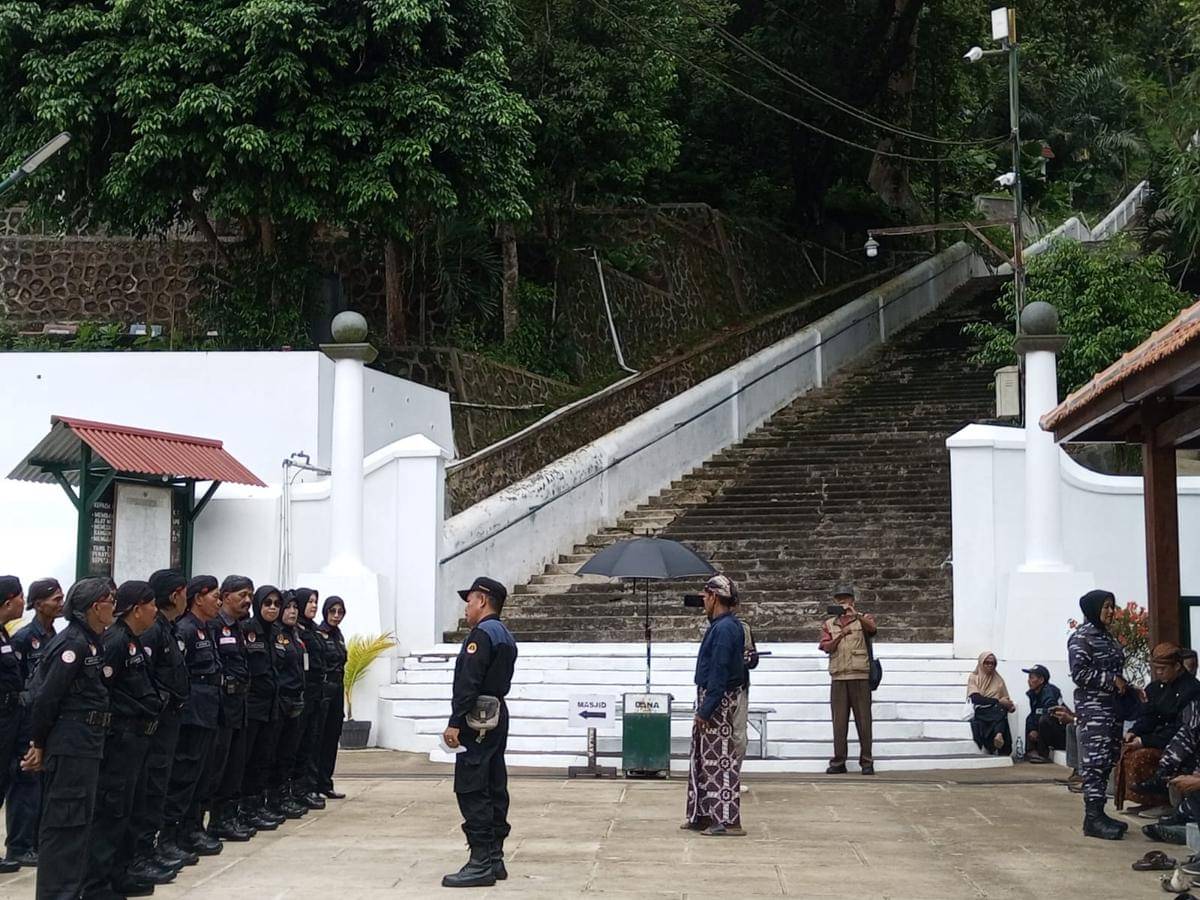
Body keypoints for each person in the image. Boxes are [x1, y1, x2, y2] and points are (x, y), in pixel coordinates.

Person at [24, 578, 114, 900]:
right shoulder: (72, 645)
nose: (113, 607)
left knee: (78, 826)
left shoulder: (91, 642)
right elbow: (46, 698)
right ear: (94, 607)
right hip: (71, 746)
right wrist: (38, 743)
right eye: (110, 601)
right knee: (64, 824)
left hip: (86, 745)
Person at [83, 580, 168, 898]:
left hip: (139, 741)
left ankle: (121, 872)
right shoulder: (116, 641)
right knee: (112, 812)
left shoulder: (133, 641)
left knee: (133, 809)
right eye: (151, 605)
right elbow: (104, 690)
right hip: (121, 741)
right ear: (136, 609)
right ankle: (97, 884)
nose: (155, 611)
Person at [441, 576, 517, 888]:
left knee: (473, 787)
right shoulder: (505, 634)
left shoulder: (481, 634)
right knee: (495, 782)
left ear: (482, 600)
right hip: (496, 713)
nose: (467, 607)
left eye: (469, 600)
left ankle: (481, 860)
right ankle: (495, 857)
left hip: (478, 718)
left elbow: (469, 682)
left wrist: (455, 721)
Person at [130, 569, 196, 874]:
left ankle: (152, 847)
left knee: (161, 786)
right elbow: (143, 678)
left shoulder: (168, 628)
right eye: (185, 592)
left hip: (169, 723)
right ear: (175, 595)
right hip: (154, 724)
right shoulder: (153, 631)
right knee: (150, 788)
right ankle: (140, 853)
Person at [161, 576, 224, 858]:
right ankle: (172, 836)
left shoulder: (206, 628)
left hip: (208, 709)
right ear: (199, 597)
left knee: (202, 776)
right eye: (215, 596)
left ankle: (193, 827)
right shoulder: (185, 629)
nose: (218, 602)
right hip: (192, 713)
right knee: (184, 776)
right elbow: (178, 674)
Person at [681, 574, 746, 837]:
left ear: (715, 597)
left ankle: (725, 819)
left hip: (718, 700)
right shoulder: (722, 626)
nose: (704, 601)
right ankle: (704, 813)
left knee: (719, 762)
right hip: (713, 696)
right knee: (703, 760)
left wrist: (706, 709)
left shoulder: (725, 629)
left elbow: (719, 671)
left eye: (706, 596)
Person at [5, 577, 62, 870]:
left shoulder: (56, 636)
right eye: (55, 599)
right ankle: (19, 844)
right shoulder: (23, 638)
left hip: (45, 719)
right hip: (24, 719)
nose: (60, 604)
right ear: (38, 604)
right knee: (25, 780)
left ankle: (35, 841)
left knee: (40, 781)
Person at [1068, 589, 1129, 841]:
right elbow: (1079, 674)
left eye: (1112, 607)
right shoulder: (1082, 637)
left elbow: (1115, 672)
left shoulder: (1108, 637)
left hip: (1113, 708)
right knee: (1094, 763)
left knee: (1106, 760)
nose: (1111, 612)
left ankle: (1100, 813)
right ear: (1092, 609)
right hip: (1095, 710)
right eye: (1106, 607)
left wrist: (1129, 687)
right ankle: (1091, 818)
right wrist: (1110, 680)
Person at [204, 575, 257, 841]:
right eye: (242, 595)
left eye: (250, 595)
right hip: (221, 706)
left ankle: (225, 818)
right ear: (226, 597)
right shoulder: (213, 626)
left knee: (235, 766)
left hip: (239, 705)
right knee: (216, 767)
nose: (248, 600)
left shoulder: (240, 627)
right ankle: (206, 821)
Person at [1117, 643, 1200, 811]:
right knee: (1127, 751)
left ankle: (1164, 794)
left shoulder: (1192, 689)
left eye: (1163, 669)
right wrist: (1135, 732)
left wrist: (1145, 740)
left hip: (1174, 740)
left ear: (1177, 666)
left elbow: (1183, 727)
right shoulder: (1155, 687)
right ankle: (1148, 799)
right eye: (1156, 668)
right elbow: (1149, 716)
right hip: (1160, 737)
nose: (1159, 672)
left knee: (1144, 755)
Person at [240, 585, 285, 828]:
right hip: (253, 705)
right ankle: (243, 809)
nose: (272, 608)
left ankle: (256, 805)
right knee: (247, 759)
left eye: (277, 604)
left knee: (264, 758)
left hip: (271, 706)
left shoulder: (277, 633)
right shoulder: (248, 630)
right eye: (267, 603)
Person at [818, 585, 876, 775]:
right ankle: (838, 761)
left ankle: (866, 762)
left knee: (864, 721)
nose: (842, 602)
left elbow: (873, 629)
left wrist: (855, 614)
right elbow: (825, 646)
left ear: (852, 600)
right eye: (839, 599)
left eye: (846, 598)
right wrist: (840, 636)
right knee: (839, 722)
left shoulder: (863, 619)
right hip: (839, 676)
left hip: (860, 674)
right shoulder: (829, 624)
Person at [271, 592, 309, 819]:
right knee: (274, 753)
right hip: (280, 701)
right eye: (288, 607)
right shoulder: (275, 635)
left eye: (295, 607)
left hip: (296, 699)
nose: (292, 611)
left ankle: (285, 795)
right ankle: (274, 798)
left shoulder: (296, 635)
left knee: (289, 752)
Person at [291, 588, 328, 811]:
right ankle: (297, 789)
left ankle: (308, 786)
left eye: (316, 601)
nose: (313, 605)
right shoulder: (296, 632)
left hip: (317, 693)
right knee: (299, 744)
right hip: (303, 693)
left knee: (312, 743)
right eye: (310, 602)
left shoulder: (314, 630)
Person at [0, 576, 26, 877]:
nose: (24, 603)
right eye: (20, 597)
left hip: (10, 716)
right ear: (9, 601)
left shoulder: (5, 634)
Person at [316, 596, 348, 799]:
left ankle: (325, 782)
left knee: (331, 738)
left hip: (337, 688)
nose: (336, 616)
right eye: (332, 611)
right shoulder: (318, 634)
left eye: (340, 612)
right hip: (324, 688)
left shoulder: (338, 635)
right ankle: (313, 784)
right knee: (318, 738)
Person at [967, 652, 1015, 755]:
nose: (990, 665)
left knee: (1001, 709)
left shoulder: (998, 679)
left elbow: (1005, 698)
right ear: (981, 663)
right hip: (982, 712)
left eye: (992, 663)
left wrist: (1010, 706)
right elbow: (975, 698)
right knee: (1001, 710)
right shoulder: (974, 677)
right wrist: (997, 701)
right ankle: (1000, 736)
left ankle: (998, 734)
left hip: (996, 713)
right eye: (987, 663)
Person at [1022, 664, 1063, 763]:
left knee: (1045, 719)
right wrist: (1032, 729)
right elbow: (1033, 714)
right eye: (1029, 677)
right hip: (1047, 733)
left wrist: (1036, 731)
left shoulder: (1050, 691)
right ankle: (1031, 751)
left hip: (1060, 733)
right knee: (1029, 718)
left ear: (1041, 680)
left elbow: (1051, 711)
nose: (1029, 681)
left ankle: (1043, 754)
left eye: (1032, 678)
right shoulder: (1034, 693)